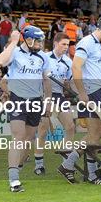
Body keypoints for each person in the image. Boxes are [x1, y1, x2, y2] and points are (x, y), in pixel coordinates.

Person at [57, 16, 101, 185]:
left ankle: (86, 172)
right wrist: (82, 93)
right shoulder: (86, 43)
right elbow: (75, 67)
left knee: (96, 135)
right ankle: (73, 167)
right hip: (90, 92)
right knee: (95, 134)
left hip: (98, 92)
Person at [0, 26, 52, 192]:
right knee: (18, 136)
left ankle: (17, 170)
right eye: (38, 40)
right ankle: (13, 180)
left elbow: (46, 81)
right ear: (28, 40)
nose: (41, 44)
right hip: (18, 100)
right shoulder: (15, 52)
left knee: (28, 139)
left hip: (36, 101)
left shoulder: (43, 57)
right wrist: (14, 41)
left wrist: (48, 101)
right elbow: (1, 61)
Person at [32, 32, 75, 176]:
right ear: (55, 44)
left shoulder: (68, 62)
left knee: (70, 127)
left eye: (67, 45)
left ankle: (66, 160)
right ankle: (39, 164)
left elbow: (69, 81)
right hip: (44, 96)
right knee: (43, 130)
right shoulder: (43, 58)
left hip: (59, 96)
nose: (66, 47)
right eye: (63, 44)